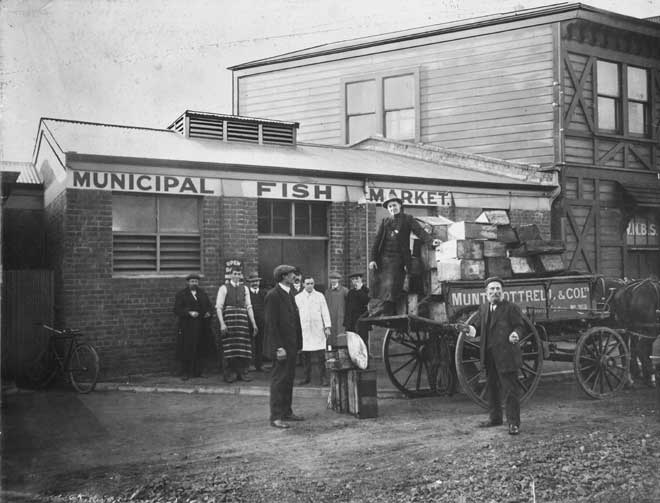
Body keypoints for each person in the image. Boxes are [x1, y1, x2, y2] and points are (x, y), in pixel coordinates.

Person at [462, 277, 524, 435]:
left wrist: (515, 334)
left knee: (510, 390)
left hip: (506, 355)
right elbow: (479, 328)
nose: (495, 292)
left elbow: (520, 326)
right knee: (492, 388)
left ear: (502, 291)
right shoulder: (484, 308)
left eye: (498, 289)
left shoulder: (511, 308)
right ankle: (495, 418)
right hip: (489, 356)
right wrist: (469, 329)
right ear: (486, 293)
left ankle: (513, 423)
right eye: (492, 289)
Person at [368, 196, 438, 316]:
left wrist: (431, 241)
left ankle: (386, 308)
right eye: (390, 207)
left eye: (394, 205)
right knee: (378, 280)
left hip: (399, 258)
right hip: (384, 257)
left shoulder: (407, 219)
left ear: (400, 206)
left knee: (392, 281)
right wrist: (373, 259)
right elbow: (377, 241)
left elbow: (419, 231)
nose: (392, 208)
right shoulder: (385, 222)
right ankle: (380, 306)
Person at [265, 264, 304, 429]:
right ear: (283, 277)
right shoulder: (273, 295)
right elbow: (271, 325)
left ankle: (287, 412)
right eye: (291, 274)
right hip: (281, 347)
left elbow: (295, 321)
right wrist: (278, 347)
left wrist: (299, 344)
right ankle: (276, 417)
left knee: (288, 380)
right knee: (279, 380)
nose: (294, 276)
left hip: (292, 346)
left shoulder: (290, 293)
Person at [216, 267, 258, 383]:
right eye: (235, 273)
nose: (237, 275)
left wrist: (254, 323)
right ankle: (230, 374)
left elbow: (249, 306)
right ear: (230, 275)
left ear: (241, 275)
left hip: (242, 321)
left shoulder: (245, 288)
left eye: (239, 274)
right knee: (230, 348)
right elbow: (219, 308)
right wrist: (222, 324)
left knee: (243, 348)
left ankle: (243, 373)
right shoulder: (224, 288)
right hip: (229, 321)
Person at [173, 273, 213, 380]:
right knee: (187, 349)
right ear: (188, 282)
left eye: (196, 281)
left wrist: (209, 312)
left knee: (201, 348)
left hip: (201, 326)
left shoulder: (202, 293)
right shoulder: (182, 294)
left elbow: (209, 306)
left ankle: (200, 371)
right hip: (187, 327)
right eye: (192, 281)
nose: (194, 283)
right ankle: (186, 372)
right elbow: (177, 309)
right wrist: (189, 313)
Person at [295, 276, 332, 386]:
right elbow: (295, 313)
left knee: (321, 356)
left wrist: (327, 327)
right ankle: (306, 378)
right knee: (306, 356)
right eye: (307, 283)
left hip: (318, 329)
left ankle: (323, 378)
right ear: (303, 284)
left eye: (312, 283)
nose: (310, 285)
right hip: (305, 329)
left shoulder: (320, 296)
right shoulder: (298, 297)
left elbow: (325, 311)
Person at [246, 272, 266, 372]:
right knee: (249, 343)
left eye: (256, 281)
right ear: (249, 283)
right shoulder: (246, 294)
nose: (255, 283)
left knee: (260, 343)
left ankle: (260, 364)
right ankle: (250, 364)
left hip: (261, 322)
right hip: (249, 321)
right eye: (253, 281)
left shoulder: (264, 293)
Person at [345, 272, 370, 346]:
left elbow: (366, 301)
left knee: (363, 342)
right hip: (352, 322)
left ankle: (365, 357)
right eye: (353, 279)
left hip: (362, 321)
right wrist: (347, 323)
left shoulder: (366, 290)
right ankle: (355, 357)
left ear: (361, 279)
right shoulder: (351, 292)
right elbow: (348, 308)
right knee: (353, 343)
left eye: (357, 279)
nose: (355, 281)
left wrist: (359, 290)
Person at [325, 271, 348, 344]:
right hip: (330, 318)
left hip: (341, 318)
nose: (333, 281)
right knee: (330, 339)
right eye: (332, 279)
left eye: (335, 279)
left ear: (338, 280)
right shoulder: (327, 292)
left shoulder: (344, 291)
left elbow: (348, 305)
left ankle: (341, 354)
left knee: (341, 338)